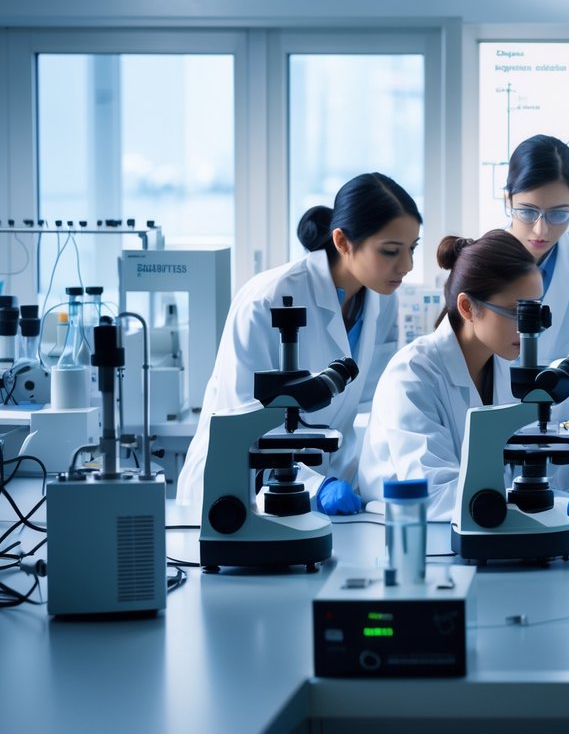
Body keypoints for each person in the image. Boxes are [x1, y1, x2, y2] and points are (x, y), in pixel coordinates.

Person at [361, 230, 569, 525]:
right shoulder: (412, 375)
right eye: (515, 312)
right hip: (412, 539)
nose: (530, 328)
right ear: (468, 307)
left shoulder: (503, 369)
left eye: (535, 311)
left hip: (485, 531)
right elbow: (437, 491)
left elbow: (539, 465)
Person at [178, 173, 421, 517]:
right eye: (391, 251)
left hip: (325, 492)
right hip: (241, 488)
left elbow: (366, 411)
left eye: (412, 248)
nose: (407, 266)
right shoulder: (267, 298)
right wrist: (314, 485)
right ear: (342, 241)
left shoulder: (383, 302)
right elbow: (241, 420)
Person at [497, 134, 569, 422]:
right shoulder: (480, 262)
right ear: (507, 199)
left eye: (559, 215)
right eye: (527, 211)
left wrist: (558, 427)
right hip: (494, 421)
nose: (541, 230)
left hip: (563, 428)